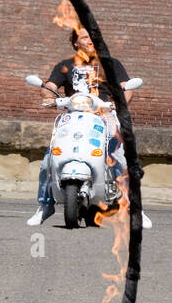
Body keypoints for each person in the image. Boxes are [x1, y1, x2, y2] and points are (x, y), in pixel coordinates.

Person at [27, 27, 148, 227]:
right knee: (49, 158)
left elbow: (126, 87)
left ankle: (135, 208)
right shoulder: (65, 66)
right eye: (84, 37)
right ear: (76, 42)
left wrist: (120, 105)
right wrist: (49, 97)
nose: (90, 40)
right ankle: (45, 206)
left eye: (92, 37)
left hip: (104, 115)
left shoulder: (111, 64)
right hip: (74, 117)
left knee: (120, 158)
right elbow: (50, 88)